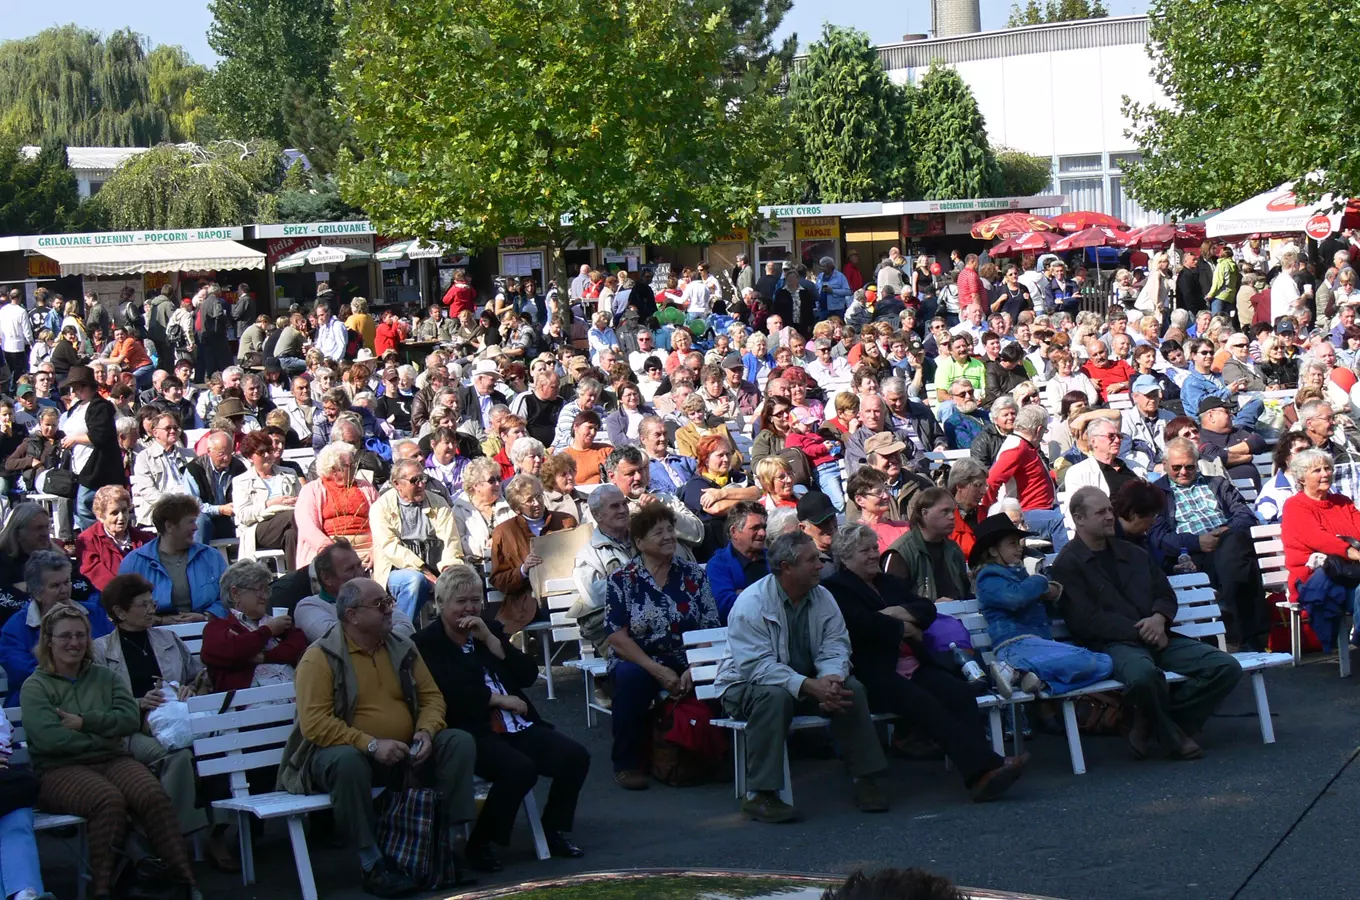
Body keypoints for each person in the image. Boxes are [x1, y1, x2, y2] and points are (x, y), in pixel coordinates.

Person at [277, 577, 476, 896]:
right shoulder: (320, 657)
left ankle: (445, 848)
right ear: (353, 615)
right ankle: (372, 862)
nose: (390, 609)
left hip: (405, 749)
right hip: (339, 752)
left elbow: (432, 698)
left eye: (389, 602)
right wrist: (370, 745)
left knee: (457, 742)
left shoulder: (401, 645)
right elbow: (314, 724)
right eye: (380, 604)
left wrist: (426, 730)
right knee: (347, 762)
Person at [827, 523, 1029, 800]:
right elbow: (860, 625)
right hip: (876, 674)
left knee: (959, 693)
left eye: (875, 547)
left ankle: (984, 770)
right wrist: (904, 627)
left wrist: (893, 612)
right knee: (925, 703)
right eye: (865, 551)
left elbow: (926, 609)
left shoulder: (887, 583)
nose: (874, 554)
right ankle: (983, 770)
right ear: (846, 557)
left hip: (915, 664)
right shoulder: (836, 588)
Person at [415, 565, 589, 870]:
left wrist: (494, 644)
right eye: (460, 601)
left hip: (517, 725)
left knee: (575, 756)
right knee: (519, 770)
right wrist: (497, 699)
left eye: (475, 600)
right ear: (441, 604)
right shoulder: (428, 643)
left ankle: (553, 829)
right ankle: (480, 844)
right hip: (473, 729)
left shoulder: (489, 631)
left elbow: (526, 674)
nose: (469, 608)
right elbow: (448, 694)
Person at [21, 604, 200, 900]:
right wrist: (104, 734)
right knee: (108, 800)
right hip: (58, 769)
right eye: (65, 636)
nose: (74, 643)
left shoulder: (104, 677)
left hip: (113, 759)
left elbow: (129, 718)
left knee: (152, 795)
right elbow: (50, 740)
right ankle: (104, 890)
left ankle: (184, 882)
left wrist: (84, 723)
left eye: (81, 635)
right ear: (48, 641)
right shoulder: (36, 687)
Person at [1053, 487, 1243, 760]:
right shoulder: (1067, 564)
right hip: (1113, 645)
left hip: (1158, 634)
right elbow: (1085, 621)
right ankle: (1171, 736)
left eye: (1109, 509)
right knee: (1143, 677)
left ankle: (1150, 719)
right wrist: (1145, 632)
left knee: (1226, 667)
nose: (1110, 516)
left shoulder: (1133, 552)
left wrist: (1159, 618)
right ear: (1079, 519)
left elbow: (1165, 594)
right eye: (1101, 512)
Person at [713, 530, 889, 822]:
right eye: (811, 560)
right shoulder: (752, 603)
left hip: (804, 683)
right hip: (743, 684)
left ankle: (866, 779)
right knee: (774, 696)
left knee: (850, 690)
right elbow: (756, 667)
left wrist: (831, 679)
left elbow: (836, 643)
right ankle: (760, 794)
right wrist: (810, 686)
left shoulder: (822, 596)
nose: (821, 565)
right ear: (786, 568)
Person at [91, 573, 239, 868]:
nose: (151, 610)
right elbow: (99, 703)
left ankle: (213, 833)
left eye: (151, 602)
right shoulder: (99, 651)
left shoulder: (167, 638)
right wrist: (138, 704)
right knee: (179, 757)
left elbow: (198, 675)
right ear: (120, 612)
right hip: (133, 728)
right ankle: (175, 840)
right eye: (142, 605)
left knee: (214, 748)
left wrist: (192, 688)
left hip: (177, 717)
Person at [605, 503, 721, 790]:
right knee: (630, 679)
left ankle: (715, 753)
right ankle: (627, 763)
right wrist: (657, 670)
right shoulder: (622, 580)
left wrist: (696, 668)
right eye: (659, 532)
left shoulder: (694, 575)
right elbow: (617, 637)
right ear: (640, 542)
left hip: (688, 657)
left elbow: (710, 625)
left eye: (671, 530)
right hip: (641, 659)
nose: (669, 537)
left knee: (723, 676)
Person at [971, 514, 1114, 694]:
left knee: (1105, 663)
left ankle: (1040, 683)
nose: (1019, 548)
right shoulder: (988, 577)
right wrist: (1040, 581)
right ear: (993, 551)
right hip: (1015, 647)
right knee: (1087, 660)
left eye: (1019, 542)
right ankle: (1013, 667)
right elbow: (1015, 598)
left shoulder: (1019, 575)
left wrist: (1052, 594)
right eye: (1012, 543)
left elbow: (1041, 608)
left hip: (1038, 645)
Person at [1148, 438, 1270, 650]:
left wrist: (1223, 532)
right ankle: (1250, 635)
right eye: (1177, 467)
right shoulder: (1155, 494)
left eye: (1189, 466)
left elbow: (1245, 515)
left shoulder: (1217, 483)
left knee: (1234, 544)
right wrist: (1196, 542)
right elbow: (1159, 537)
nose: (1183, 472)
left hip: (1227, 544)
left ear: (1197, 463)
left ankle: (1228, 608)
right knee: (1242, 561)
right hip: (1191, 556)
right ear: (1165, 465)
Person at [0, 550, 112, 704]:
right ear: (37, 592)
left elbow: (114, 654)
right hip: (40, 702)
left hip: (97, 697)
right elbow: (26, 673)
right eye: (55, 585)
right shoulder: (15, 628)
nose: (64, 590)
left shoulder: (94, 614)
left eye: (66, 582)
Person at [1281, 449, 1360, 651]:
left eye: (1327, 468)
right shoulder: (1295, 506)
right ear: (1301, 478)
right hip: (1315, 577)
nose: (1325, 474)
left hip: (1351, 572)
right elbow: (1319, 540)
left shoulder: (1342, 502)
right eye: (1317, 470)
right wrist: (1353, 553)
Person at [371, 458, 464, 620]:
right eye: (415, 480)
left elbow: (451, 540)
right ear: (397, 484)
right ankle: (401, 632)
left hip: (437, 567)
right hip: (398, 570)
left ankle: (462, 638)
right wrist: (424, 572)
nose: (422, 484)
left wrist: (448, 569)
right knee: (415, 581)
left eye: (423, 478)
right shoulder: (380, 508)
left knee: (461, 580)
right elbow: (391, 548)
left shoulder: (438, 502)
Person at [490, 474, 579, 634]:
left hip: (570, 591)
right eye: (529, 500)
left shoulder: (566, 521)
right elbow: (498, 580)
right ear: (517, 507)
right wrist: (524, 570)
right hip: (529, 600)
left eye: (539, 496)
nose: (537, 503)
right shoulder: (504, 532)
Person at [118, 494, 228, 621]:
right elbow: (125, 607)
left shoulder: (211, 556)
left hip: (206, 631)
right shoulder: (135, 562)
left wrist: (206, 616)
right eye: (190, 521)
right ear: (169, 526)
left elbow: (228, 598)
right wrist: (160, 621)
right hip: (152, 634)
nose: (195, 527)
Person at [202, 559, 307, 690]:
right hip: (250, 704)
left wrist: (263, 657)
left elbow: (299, 647)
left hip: (293, 696)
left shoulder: (277, 622)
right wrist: (267, 631)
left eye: (267, 590)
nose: (265, 597)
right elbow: (232, 651)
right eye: (259, 590)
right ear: (235, 594)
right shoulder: (218, 627)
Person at [982, 403, 1067, 551]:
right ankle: (1068, 568)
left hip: (1046, 508)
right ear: (1039, 429)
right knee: (1058, 522)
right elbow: (991, 481)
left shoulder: (1025, 445)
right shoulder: (1016, 448)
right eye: (1045, 430)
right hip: (1025, 512)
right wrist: (988, 516)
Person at [59, 365, 125, 530]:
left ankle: (98, 537)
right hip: (78, 464)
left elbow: (100, 435)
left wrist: (75, 439)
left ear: (87, 386)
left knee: (85, 504)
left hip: (97, 466)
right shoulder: (77, 407)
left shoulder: (100, 407)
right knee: (79, 506)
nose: (73, 392)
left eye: (76, 388)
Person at [295, 442, 379, 570]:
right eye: (348, 465)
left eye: (355, 464)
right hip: (329, 553)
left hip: (369, 552)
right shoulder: (311, 490)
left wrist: (377, 549)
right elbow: (307, 527)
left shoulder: (366, 487)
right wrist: (332, 552)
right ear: (332, 468)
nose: (354, 468)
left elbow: (381, 520)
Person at [682, 434, 761, 560]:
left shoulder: (735, 476)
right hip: (716, 551)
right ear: (706, 459)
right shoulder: (696, 485)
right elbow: (716, 508)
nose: (726, 459)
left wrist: (723, 493)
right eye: (720, 455)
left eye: (728, 454)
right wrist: (747, 498)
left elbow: (756, 492)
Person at [883, 488, 968, 601]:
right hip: (922, 617)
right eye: (945, 511)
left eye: (952, 511)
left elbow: (965, 591)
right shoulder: (901, 553)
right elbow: (893, 602)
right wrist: (930, 608)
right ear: (924, 513)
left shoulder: (953, 549)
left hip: (959, 615)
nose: (952, 517)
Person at [73, 485, 154, 593]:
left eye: (124, 510)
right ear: (100, 516)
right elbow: (95, 576)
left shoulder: (144, 538)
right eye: (114, 513)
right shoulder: (87, 540)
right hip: (109, 599)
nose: (121, 517)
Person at [705, 501, 769, 622]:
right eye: (755, 528)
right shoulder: (718, 565)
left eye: (764, 527)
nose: (762, 533)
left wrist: (742, 594)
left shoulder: (774, 559)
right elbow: (726, 609)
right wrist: (770, 595)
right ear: (734, 531)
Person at [186, 430, 246, 543]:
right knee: (201, 520)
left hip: (231, 517)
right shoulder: (194, 469)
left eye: (230, 453)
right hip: (204, 517)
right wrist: (220, 510)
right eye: (221, 454)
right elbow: (193, 506)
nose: (227, 458)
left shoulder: (238, 467)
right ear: (209, 451)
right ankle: (198, 557)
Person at [1255, 433, 1312, 524]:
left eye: (1309, 450)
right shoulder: (1272, 490)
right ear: (1286, 456)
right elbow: (1267, 522)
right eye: (1300, 450)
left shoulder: (1323, 482)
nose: (1306, 455)